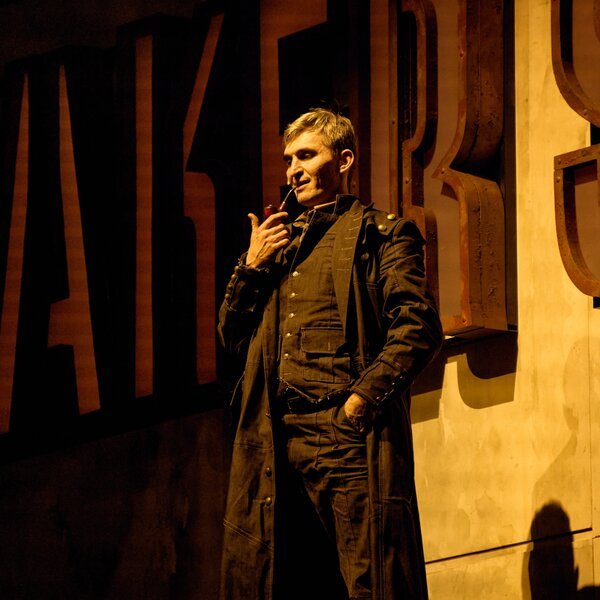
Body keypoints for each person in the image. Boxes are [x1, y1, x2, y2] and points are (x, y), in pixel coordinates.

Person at [218, 108, 443, 600]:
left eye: (305, 155)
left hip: (345, 438)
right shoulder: (276, 248)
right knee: (281, 582)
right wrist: (250, 267)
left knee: (371, 580)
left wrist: (359, 403)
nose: (293, 170)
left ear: (343, 161)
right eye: (288, 159)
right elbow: (232, 340)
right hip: (275, 440)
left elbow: (418, 325)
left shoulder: (382, 234)